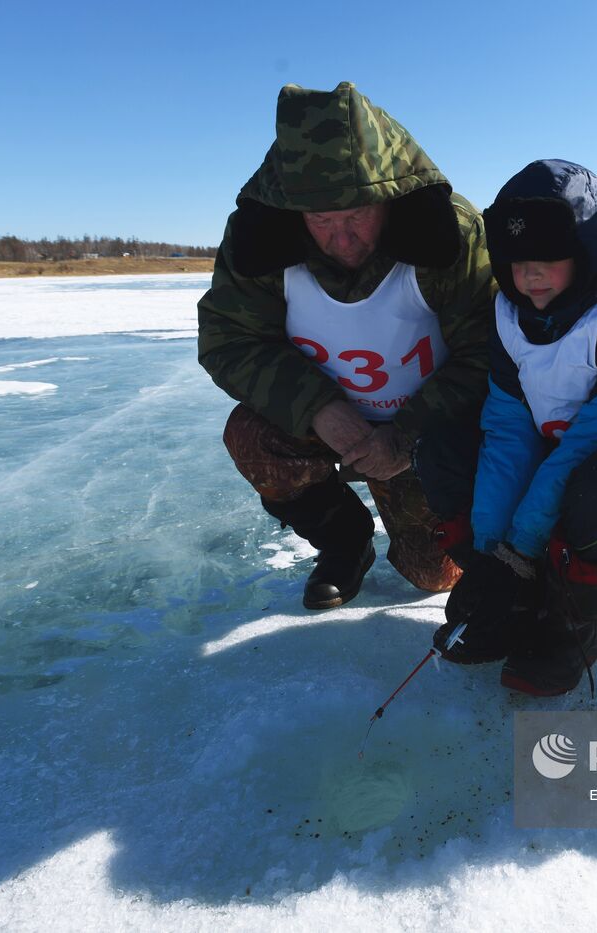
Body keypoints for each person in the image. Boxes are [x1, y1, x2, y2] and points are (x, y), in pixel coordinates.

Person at [198, 83, 495, 610]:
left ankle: (414, 526)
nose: (343, 238)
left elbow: (491, 351)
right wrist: (317, 408)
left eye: (357, 215)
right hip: (328, 426)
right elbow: (230, 340)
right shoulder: (262, 241)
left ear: (389, 197)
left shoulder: (450, 234)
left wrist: (407, 436)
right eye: (322, 221)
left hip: (426, 434)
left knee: (433, 574)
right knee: (251, 435)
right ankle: (344, 541)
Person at [416, 160, 597, 696]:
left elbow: (596, 438)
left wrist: (518, 550)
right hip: (556, 450)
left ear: (587, 250)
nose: (531, 275)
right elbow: (508, 428)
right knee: (443, 450)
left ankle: (569, 622)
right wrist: (489, 556)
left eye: (549, 257)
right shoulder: (508, 314)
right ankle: (511, 605)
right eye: (517, 260)